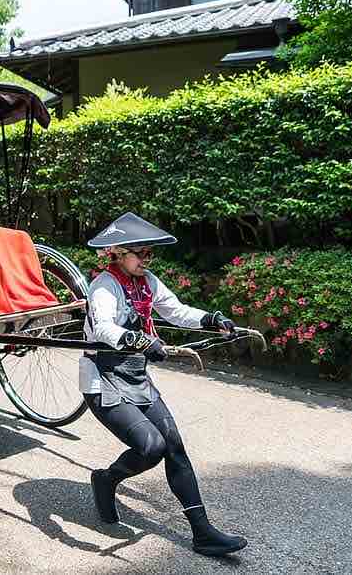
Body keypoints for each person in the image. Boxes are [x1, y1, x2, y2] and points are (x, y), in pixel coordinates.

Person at [82, 212, 247, 557]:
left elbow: (175, 310)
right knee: (151, 446)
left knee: (174, 446)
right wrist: (142, 341)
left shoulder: (147, 282)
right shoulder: (104, 286)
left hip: (136, 377)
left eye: (148, 254)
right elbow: (103, 330)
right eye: (139, 253)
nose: (146, 259)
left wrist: (210, 318)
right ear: (117, 253)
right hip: (104, 380)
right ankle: (107, 479)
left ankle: (203, 533)